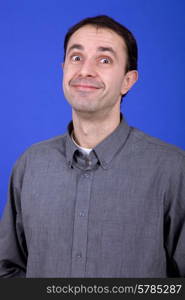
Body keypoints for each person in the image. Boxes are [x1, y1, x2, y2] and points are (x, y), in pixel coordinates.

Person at [0, 15, 185, 278]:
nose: (85, 70)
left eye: (105, 60)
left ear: (128, 81)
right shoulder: (30, 165)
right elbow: (7, 269)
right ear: (63, 69)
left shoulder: (172, 169)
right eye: (76, 58)